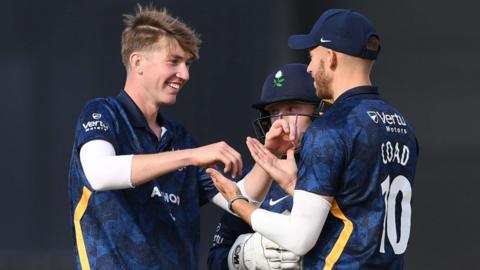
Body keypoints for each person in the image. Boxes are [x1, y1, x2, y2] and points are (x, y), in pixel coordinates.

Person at [208, 9, 419, 269]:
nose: (309, 66)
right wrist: (292, 183)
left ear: (330, 57)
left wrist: (237, 202)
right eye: (274, 112)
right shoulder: (401, 125)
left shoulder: (332, 128)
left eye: (312, 56)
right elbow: (357, 205)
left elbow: (300, 238)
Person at [68, 5, 274, 270]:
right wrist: (190, 157)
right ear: (137, 62)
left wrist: (271, 155)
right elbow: (99, 174)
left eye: (187, 64)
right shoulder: (103, 112)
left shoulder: (179, 138)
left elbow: (239, 199)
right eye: (174, 61)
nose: (185, 75)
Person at [207, 63, 332, 270]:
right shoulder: (256, 178)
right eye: (274, 112)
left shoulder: (336, 168)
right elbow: (216, 257)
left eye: (292, 109)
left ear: (318, 112)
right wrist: (246, 254)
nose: (280, 122)